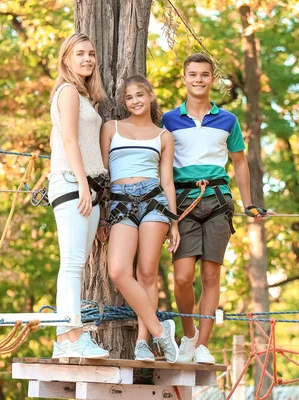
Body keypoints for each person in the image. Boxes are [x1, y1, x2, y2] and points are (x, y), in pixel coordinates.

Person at [162, 53, 269, 364]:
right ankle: (189, 333)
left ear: (212, 79)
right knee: (182, 277)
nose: (198, 79)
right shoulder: (168, 120)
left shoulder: (228, 120)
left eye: (204, 75)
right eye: (193, 74)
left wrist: (249, 203)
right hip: (182, 202)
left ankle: (203, 346)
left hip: (218, 199)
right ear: (184, 79)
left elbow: (239, 162)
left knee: (211, 275)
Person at [100, 75, 181, 363]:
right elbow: (103, 175)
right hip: (121, 202)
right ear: (124, 102)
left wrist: (174, 223)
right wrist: (100, 217)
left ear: (150, 96)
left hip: (153, 200)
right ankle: (162, 330)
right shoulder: (112, 128)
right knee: (119, 270)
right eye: (129, 97)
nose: (135, 101)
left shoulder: (163, 136)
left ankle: (143, 342)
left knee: (147, 273)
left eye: (139, 95)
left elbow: (168, 181)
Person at [48, 33, 110, 359]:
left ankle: (65, 338)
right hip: (72, 184)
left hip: (89, 189)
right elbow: (70, 141)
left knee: (76, 263)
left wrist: (95, 193)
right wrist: (84, 187)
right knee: (71, 264)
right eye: (80, 53)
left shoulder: (86, 97)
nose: (87, 59)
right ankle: (72, 337)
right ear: (67, 58)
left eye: (91, 53)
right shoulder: (68, 91)